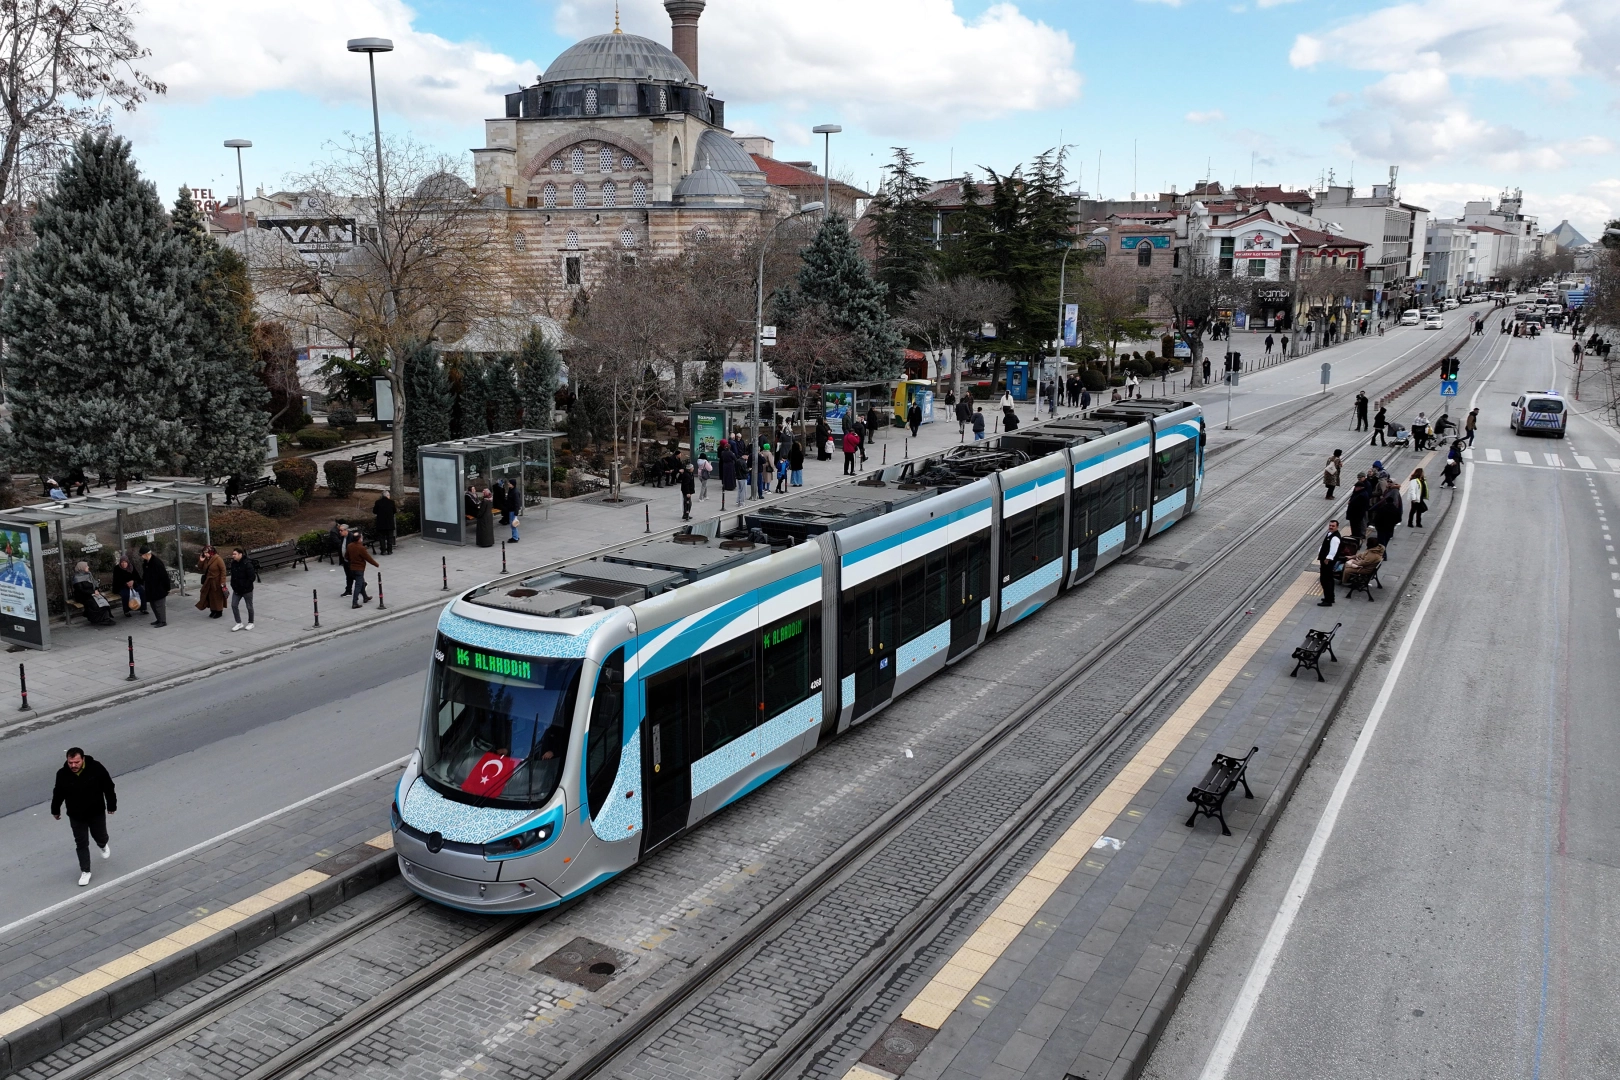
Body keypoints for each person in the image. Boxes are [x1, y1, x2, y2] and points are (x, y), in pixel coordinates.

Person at [52, 747, 116, 887]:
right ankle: (85, 871)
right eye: (70, 762)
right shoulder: (62, 774)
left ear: (83, 759)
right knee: (81, 843)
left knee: (100, 836)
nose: (73, 765)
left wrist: (111, 805)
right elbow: (58, 792)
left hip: (96, 812)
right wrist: (55, 810)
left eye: (76, 762)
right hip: (76, 815)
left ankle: (102, 844)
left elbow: (108, 786)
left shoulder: (96, 768)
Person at [70, 561, 114, 626]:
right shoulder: (77, 578)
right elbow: (80, 590)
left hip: (91, 594)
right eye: (86, 566)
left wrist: (96, 589)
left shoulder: (88, 574)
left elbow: (93, 584)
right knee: (94, 603)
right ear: (82, 568)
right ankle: (98, 619)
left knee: (103, 600)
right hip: (82, 596)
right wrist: (93, 592)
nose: (88, 567)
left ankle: (106, 618)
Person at [139, 545, 170, 627]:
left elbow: (164, 576)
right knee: (153, 605)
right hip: (151, 588)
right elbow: (145, 574)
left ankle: (162, 621)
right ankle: (158, 619)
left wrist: (167, 588)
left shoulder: (156, 562)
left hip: (159, 588)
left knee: (159, 605)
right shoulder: (146, 562)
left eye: (142, 555)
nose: (141, 557)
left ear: (146, 554)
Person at [346, 530, 379, 607]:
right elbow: (368, 558)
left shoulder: (349, 546)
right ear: (359, 539)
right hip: (359, 569)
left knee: (361, 582)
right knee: (358, 585)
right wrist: (376, 564)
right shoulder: (361, 548)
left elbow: (346, 556)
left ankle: (365, 597)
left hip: (352, 568)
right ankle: (355, 602)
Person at [195, 546, 227, 620]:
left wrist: (222, 581)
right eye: (204, 553)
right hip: (208, 581)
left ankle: (219, 611)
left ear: (211, 552)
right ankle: (213, 610)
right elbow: (200, 567)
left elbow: (223, 570)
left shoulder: (218, 559)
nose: (205, 554)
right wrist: (201, 560)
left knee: (217, 596)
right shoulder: (206, 559)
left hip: (217, 581)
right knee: (210, 596)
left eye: (206, 553)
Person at [228, 547, 256, 630]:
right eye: (233, 554)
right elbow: (233, 576)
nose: (233, 556)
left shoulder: (247, 564)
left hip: (247, 590)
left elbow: (252, 577)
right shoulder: (233, 563)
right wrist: (233, 585)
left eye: (235, 554)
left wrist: (245, 586)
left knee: (249, 606)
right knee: (234, 605)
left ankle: (251, 622)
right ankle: (238, 623)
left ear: (240, 554)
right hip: (237, 589)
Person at [1317, 520, 1342, 607]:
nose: (1331, 527)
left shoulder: (1335, 538)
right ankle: (1330, 597)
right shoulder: (1330, 534)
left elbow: (1333, 550)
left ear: (1337, 527)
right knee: (1329, 579)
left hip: (1327, 562)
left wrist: (1328, 558)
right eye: (1330, 525)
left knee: (1325, 580)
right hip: (1325, 560)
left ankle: (1328, 600)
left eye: (1333, 526)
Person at [1372, 485, 1402, 550]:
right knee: (1385, 542)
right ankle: (1383, 552)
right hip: (1389, 528)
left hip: (1381, 528)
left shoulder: (1382, 508)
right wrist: (1393, 523)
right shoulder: (1395, 509)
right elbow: (1398, 519)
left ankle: (1382, 553)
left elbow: (1377, 518)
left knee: (1381, 542)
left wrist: (1376, 524)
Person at [112, 554, 141, 618]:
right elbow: (116, 580)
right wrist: (126, 584)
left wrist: (133, 582)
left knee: (141, 591)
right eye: (122, 562)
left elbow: (137, 577)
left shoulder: (131, 567)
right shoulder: (117, 568)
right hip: (121, 586)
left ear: (127, 562)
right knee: (125, 594)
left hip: (133, 584)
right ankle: (126, 611)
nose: (123, 564)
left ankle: (142, 608)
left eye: (125, 562)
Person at [1346, 472, 1371, 541]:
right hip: (1355, 513)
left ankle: (1361, 535)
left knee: (1361, 523)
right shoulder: (1358, 491)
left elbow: (1361, 504)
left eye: (1360, 478)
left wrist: (1352, 503)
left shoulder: (1363, 493)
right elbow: (1353, 495)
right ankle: (1355, 534)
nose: (1355, 488)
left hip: (1358, 513)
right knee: (1355, 525)